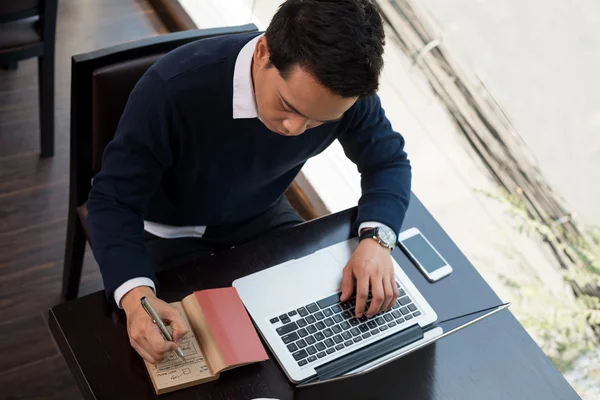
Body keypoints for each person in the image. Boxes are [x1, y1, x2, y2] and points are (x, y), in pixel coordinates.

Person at [87, 0, 411, 365]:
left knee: (317, 334)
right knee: (185, 359)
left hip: (259, 212)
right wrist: (136, 300)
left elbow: (388, 160)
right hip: (165, 228)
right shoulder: (171, 90)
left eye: (317, 122)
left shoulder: (343, 97)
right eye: (289, 106)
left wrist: (377, 240)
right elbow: (112, 202)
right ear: (262, 52)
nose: (294, 130)